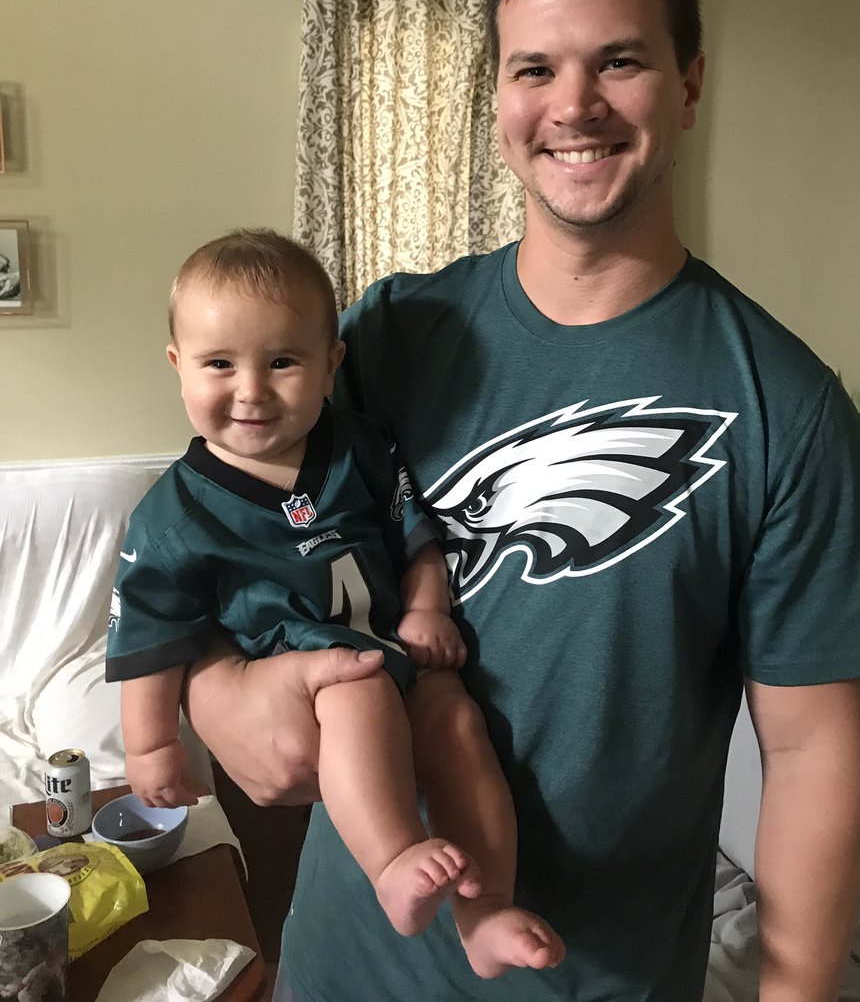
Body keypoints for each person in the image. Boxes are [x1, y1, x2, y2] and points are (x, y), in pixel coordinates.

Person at [184, 0, 860, 1002]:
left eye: (620, 60)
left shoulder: (786, 409)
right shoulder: (384, 337)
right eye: (536, 68)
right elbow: (220, 530)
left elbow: (811, 752)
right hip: (344, 955)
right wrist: (212, 694)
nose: (573, 106)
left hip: (594, 977)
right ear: (498, 96)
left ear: (691, 82)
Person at [106, 229, 563, 978]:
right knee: (357, 699)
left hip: (396, 653)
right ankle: (392, 865)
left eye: (281, 362)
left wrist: (426, 610)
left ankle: (486, 912)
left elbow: (416, 543)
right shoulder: (171, 515)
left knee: (458, 723)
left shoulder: (362, 450)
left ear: (331, 366)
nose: (250, 390)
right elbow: (154, 638)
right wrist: (153, 746)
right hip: (314, 680)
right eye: (220, 364)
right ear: (177, 367)